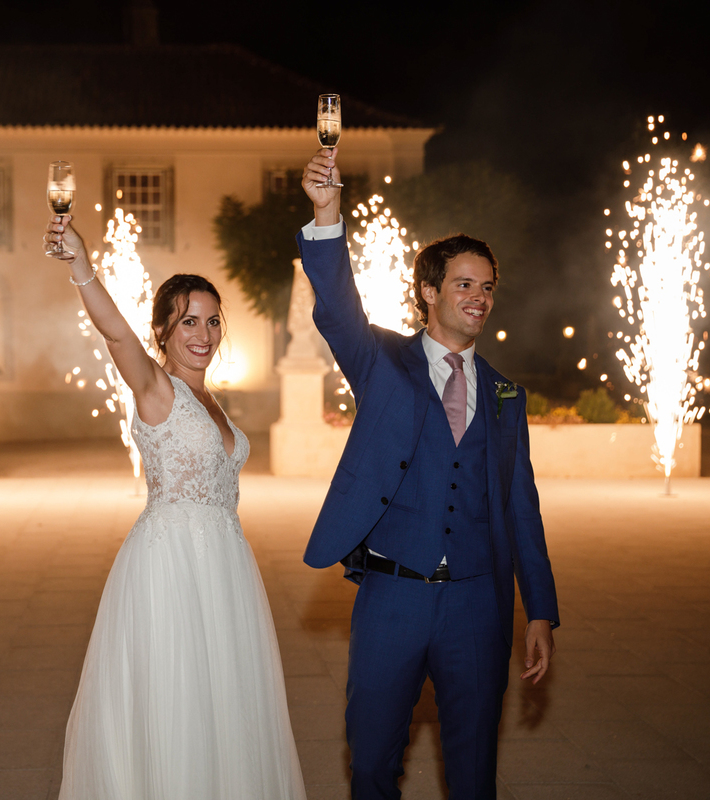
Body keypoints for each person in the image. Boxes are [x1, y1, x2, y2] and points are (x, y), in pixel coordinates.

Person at [297, 148, 559, 800]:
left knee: (474, 773)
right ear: (429, 292)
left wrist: (541, 611)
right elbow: (337, 310)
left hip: (477, 605)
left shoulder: (506, 395)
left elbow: (521, 507)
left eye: (487, 286)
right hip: (393, 598)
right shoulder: (383, 361)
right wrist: (327, 214)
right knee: (372, 762)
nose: (479, 297)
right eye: (464, 284)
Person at [44, 214, 306, 800]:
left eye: (212, 321)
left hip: (226, 566)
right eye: (189, 321)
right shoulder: (156, 389)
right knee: (177, 696)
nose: (204, 334)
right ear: (162, 329)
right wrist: (82, 266)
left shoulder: (210, 399)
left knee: (227, 700)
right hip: (170, 564)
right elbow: (116, 336)